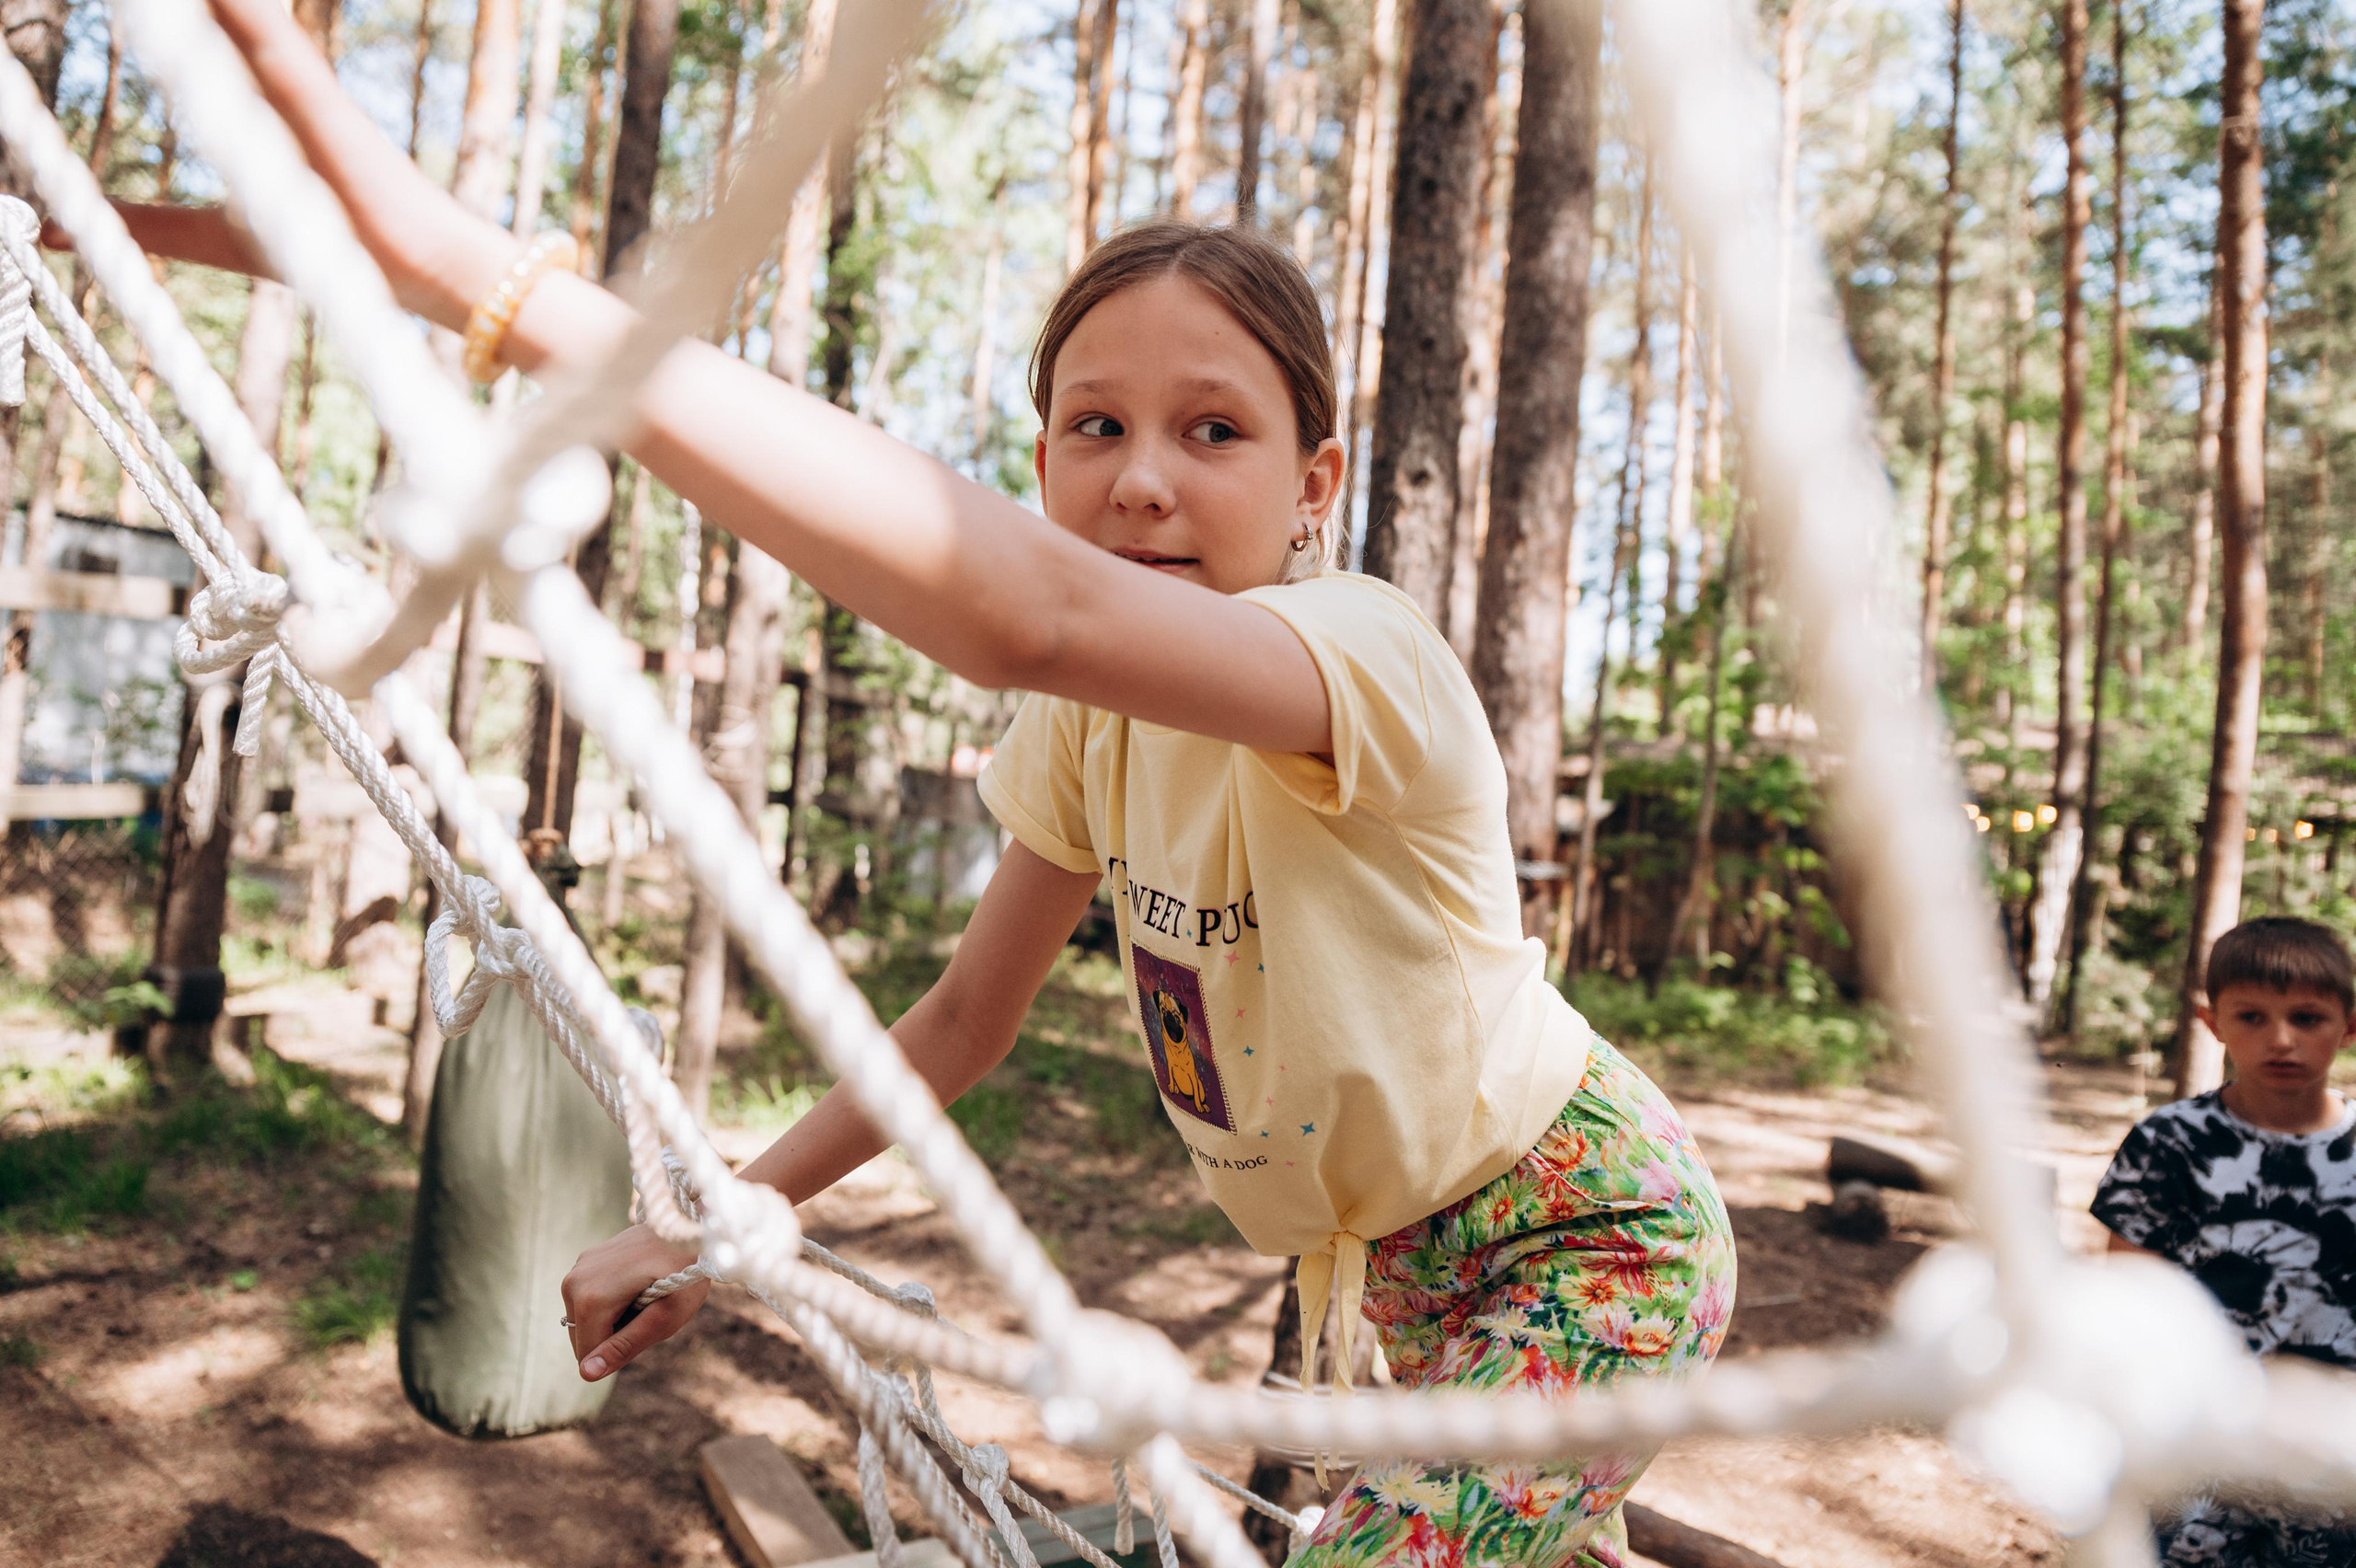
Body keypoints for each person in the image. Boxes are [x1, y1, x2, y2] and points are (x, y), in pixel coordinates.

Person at [121, 4, 1736, 1561]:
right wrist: (721, 1216)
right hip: (1400, 1266)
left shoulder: (1360, 658)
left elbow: (1019, 611)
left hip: (1585, 1235)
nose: (1146, 476)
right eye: (1093, 425)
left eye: (1215, 430)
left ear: (1314, 484)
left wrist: (478, 276)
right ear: (1039, 465)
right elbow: (964, 1019)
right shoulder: (1091, 732)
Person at [2093, 917, 2356, 1566]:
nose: (2282, 1040)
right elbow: (2127, 1301)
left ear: (2350, 1026)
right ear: (2213, 1023)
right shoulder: (2168, 1145)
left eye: (2308, 1017)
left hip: (2336, 1456)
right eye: (2252, 1017)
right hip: (2197, 1454)